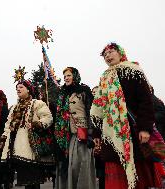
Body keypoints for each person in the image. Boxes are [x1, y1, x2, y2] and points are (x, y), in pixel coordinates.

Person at [90, 42, 156, 189]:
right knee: (115, 174)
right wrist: (96, 133)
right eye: (105, 55)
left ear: (120, 53)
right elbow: (100, 108)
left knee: (138, 172)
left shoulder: (134, 71)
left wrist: (145, 128)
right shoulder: (105, 78)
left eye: (111, 52)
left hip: (133, 131)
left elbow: (145, 101)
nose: (108, 56)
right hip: (111, 134)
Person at [0, 80, 54, 189]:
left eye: (21, 87)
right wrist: (3, 139)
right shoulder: (14, 107)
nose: (18, 89)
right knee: (25, 180)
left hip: (30, 148)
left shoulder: (37, 103)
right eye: (17, 88)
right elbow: (8, 125)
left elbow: (48, 118)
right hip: (16, 148)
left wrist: (36, 124)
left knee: (32, 181)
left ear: (28, 90)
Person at [54, 67, 96, 189]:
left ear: (75, 76)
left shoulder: (84, 91)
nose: (66, 78)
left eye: (69, 75)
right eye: (65, 76)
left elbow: (90, 112)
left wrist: (90, 133)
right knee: (66, 166)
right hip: (64, 134)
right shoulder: (62, 93)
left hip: (81, 132)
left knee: (80, 164)